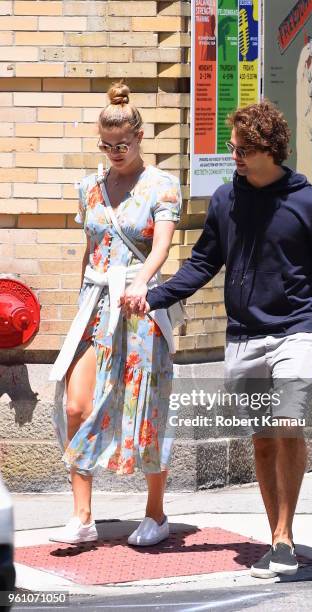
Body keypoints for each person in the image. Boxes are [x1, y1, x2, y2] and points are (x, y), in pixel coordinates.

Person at [131, 100, 312, 577]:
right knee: (262, 441)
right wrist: (155, 296)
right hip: (244, 335)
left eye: (242, 148)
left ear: (270, 150)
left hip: (295, 332)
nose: (233, 154)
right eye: (232, 147)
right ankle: (274, 533)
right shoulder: (225, 200)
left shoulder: (309, 204)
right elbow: (202, 263)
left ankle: (284, 537)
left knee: (286, 422)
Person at [49, 81, 182, 547]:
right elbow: (89, 252)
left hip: (141, 306)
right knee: (75, 404)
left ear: (140, 136)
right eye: (106, 146)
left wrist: (143, 282)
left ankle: (156, 512)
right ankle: (83, 515)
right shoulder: (90, 187)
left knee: (144, 409)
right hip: (96, 306)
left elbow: (161, 247)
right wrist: (80, 307)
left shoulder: (162, 185)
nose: (114, 153)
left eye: (121, 145)